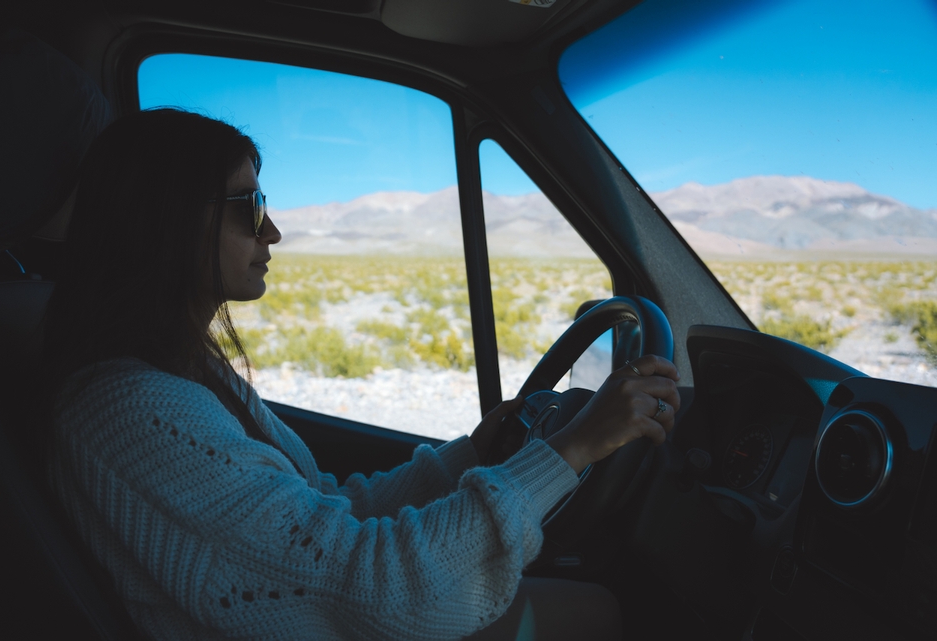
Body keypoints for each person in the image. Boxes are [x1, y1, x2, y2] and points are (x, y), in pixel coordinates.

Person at [43, 108, 680, 641]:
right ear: (167, 216)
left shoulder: (183, 372)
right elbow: (374, 590)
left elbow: (324, 513)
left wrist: (471, 457)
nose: (273, 230)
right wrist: (572, 448)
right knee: (606, 612)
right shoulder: (130, 411)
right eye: (248, 205)